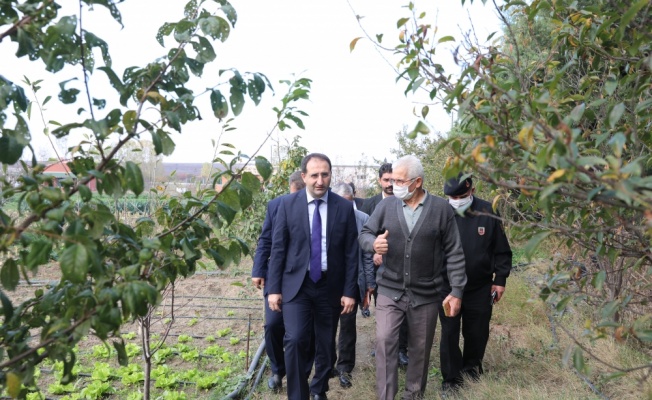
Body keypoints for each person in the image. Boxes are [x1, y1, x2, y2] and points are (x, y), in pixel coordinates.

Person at [358, 155, 467, 400]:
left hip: (426, 293)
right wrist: (373, 243)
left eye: (399, 180)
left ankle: (413, 395)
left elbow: (455, 252)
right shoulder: (386, 207)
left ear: (416, 182)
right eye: (392, 179)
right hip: (389, 289)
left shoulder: (441, 209)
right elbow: (365, 233)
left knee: (420, 350)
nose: (393, 185)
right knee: (385, 342)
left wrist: (457, 290)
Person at [267, 153, 359, 400]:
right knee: (295, 339)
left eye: (325, 174)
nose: (320, 180)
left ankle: (319, 389)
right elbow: (278, 249)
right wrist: (273, 288)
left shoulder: (343, 207)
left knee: (327, 345)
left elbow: (352, 252)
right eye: (315, 175)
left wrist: (350, 291)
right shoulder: (287, 205)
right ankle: (298, 395)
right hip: (297, 285)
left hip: (331, 285)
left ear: (330, 176)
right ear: (304, 176)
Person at [439, 173, 512, 392]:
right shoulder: (441, 212)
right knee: (449, 332)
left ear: (472, 189)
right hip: (447, 286)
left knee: (477, 331)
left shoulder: (487, 211)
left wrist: (500, 280)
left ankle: (471, 371)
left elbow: (501, 250)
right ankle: (451, 379)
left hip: (480, 286)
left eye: (461, 195)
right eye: (452, 196)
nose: (457, 200)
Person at [251, 171, 311, 392]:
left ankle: (302, 372)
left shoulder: (317, 207)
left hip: (304, 278)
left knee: (303, 331)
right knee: (273, 324)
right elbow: (265, 239)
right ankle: (278, 369)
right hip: (277, 275)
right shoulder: (277, 205)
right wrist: (258, 269)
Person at [360, 162, 409, 367]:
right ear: (379, 181)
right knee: (383, 307)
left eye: (393, 180)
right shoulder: (369, 205)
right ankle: (383, 345)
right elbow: (364, 235)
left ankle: (402, 349)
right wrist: (374, 250)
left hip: (402, 266)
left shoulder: (407, 201)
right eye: (386, 180)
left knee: (404, 308)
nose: (390, 184)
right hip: (377, 267)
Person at [329, 182, 376, 389]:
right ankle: (327, 363)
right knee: (327, 326)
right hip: (327, 284)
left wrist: (368, 285)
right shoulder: (325, 217)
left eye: (348, 203)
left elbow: (367, 257)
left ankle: (345, 368)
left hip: (351, 282)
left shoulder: (362, 220)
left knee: (348, 326)